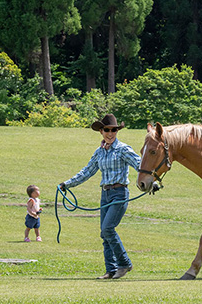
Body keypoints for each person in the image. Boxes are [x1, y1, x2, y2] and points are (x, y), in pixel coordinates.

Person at [59, 114, 141, 280]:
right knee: (105, 234)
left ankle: (124, 263)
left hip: (120, 193)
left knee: (107, 229)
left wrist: (152, 180)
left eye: (113, 130)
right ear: (101, 131)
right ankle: (110, 270)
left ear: (117, 131)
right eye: (107, 130)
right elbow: (87, 171)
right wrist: (67, 184)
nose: (110, 133)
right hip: (105, 194)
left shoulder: (123, 149)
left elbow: (140, 165)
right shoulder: (99, 153)